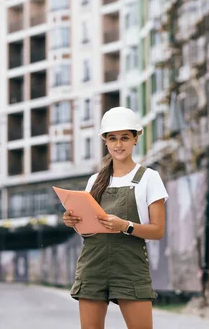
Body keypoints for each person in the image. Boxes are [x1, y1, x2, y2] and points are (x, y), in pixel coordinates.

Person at [63, 106, 169, 329]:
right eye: (113, 138)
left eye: (124, 138)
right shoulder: (94, 181)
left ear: (135, 139)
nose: (118, 145)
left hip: (130, 266)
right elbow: (88, 230)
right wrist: (74, 222)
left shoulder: (149, 178)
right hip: (93, 264)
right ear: (105, 141)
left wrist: (125, 226)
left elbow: (158, 231)